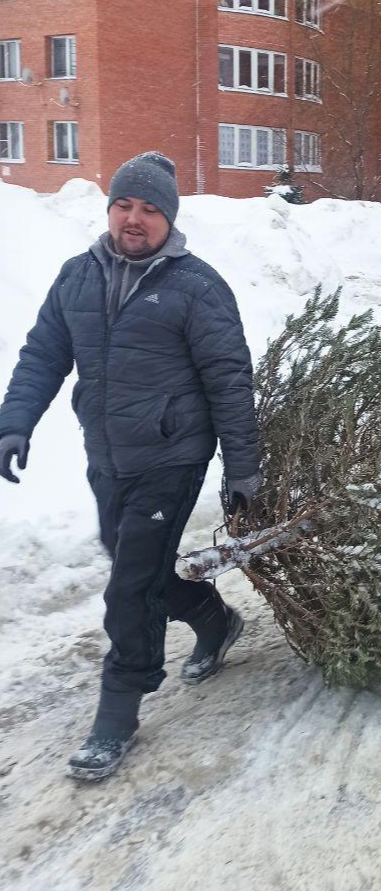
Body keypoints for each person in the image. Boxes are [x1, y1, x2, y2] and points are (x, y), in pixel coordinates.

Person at [0, 152, 261, 780]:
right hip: (108, 453)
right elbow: (43, 354)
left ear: (168, 219)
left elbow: (229, 379)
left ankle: (117, 712)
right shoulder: (77, 277)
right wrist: (15, 421)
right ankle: (215, 619)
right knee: (130, 565)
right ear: (110, 209)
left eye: (149, 209)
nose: (134, 218)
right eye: (124, 205)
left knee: (128, 587)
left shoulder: (197, 286)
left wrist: (242, 467)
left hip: (173, 456)